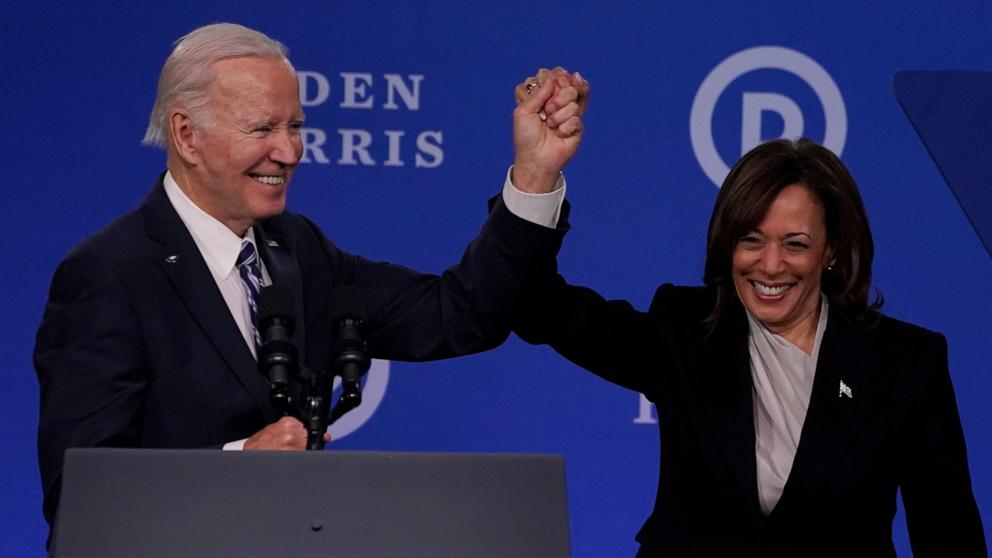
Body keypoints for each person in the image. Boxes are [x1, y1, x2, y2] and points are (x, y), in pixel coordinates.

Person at [33, 22, 588, 532]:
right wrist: (234, 467)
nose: (290, 150)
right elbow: (82, 498)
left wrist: (535, 175)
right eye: (263, 128)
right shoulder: (110, 276)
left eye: (295, 125)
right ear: (187, 135)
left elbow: (459, 314)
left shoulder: (298, 250)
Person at [511, 136, 987, 556]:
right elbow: (532, 301)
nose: (771, 265)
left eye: (796, 244)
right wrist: (538, 172)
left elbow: (947, 531)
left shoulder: (905, 363)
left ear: (833, 249)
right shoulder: (684, 330)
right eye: (751, 239)